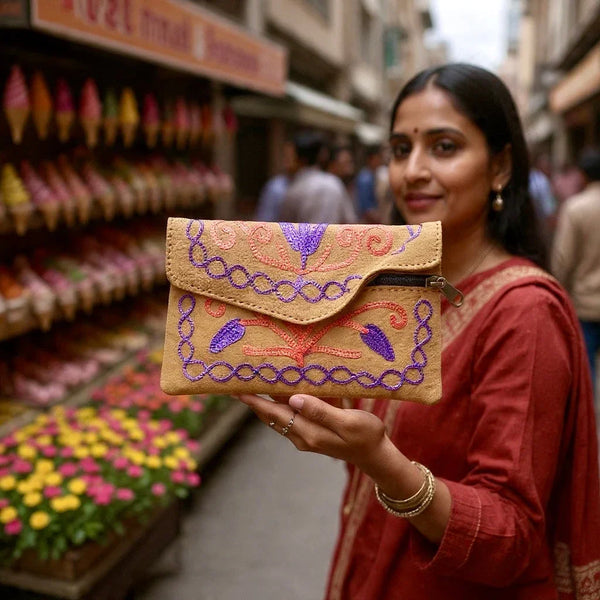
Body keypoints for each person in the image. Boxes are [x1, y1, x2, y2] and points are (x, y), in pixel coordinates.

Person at [239, 63, 600, 599]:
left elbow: (512, 533)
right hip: (367, 567)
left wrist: (382, 464)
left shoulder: (525, 312)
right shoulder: (398, 288)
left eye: (444, 146)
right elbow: (352, 399)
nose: (413, 171)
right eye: (400, 149)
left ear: (499, 166)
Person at [552, 148, 600, 401]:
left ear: (582, 175)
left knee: (586, 368)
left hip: (585, 304)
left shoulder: (576, 208)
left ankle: (590, 421)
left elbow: (563, 259)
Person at [279, 131, 357, 224]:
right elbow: (349, 220)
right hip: (333, 237)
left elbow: (286, 228)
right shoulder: (334, 182)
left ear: (298, 158)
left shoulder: (294, 189)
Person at [254, 140, 299, 222]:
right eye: (285, 156)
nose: (287, 161)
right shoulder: (275, 187)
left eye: (291, 157)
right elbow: (264, 221)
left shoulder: (311, 184)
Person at [355, 145, 384, 223]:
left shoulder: (372, 175)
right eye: (377, 158)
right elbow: (366, 207)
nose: (379, 161)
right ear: (370, 159)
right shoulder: (365, 178)